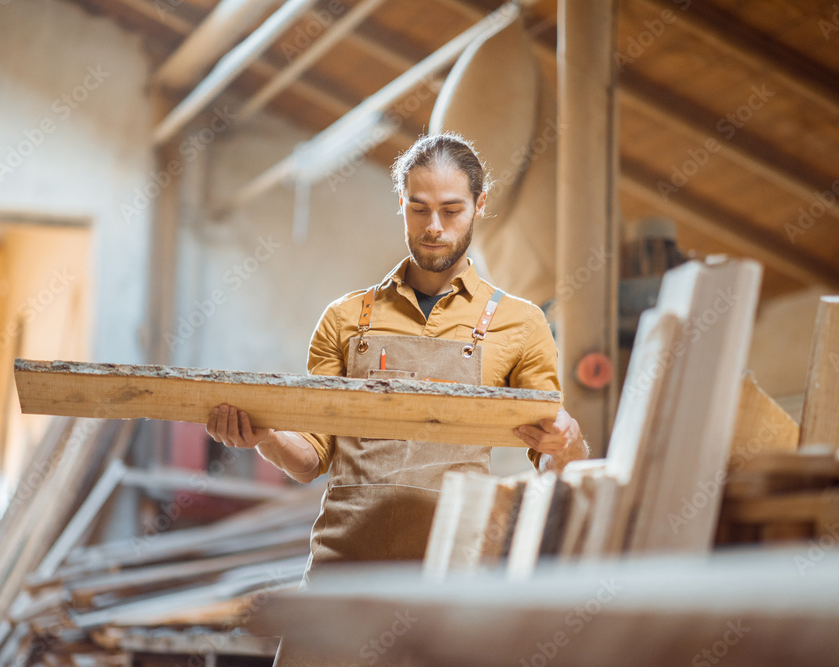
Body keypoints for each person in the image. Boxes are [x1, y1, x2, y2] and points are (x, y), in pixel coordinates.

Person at [206, 133, 588, 578]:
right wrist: (265, 436)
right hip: (341, 574)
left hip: (449, 578)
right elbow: (311, 460)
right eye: (419, 208)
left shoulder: (520, 324)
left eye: (451, 210)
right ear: (401, 202)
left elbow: (554, 460)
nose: (434, 227)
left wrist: (570, 442)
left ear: (480, 205)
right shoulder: (345, 318)